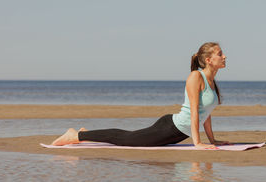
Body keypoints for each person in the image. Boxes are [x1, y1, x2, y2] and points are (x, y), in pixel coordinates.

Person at [51, 42, 229, 149]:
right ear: (208, 60)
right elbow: (194, 113)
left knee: (129, 137)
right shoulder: (195, 76)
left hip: (178, 133)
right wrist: (197, 143)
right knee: (126, 139)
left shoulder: (212, 82)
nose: (224, 56)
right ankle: (75, 136)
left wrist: (212, 140)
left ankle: (87, 134)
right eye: (220, 54)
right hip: (171, 127)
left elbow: (206, 113)